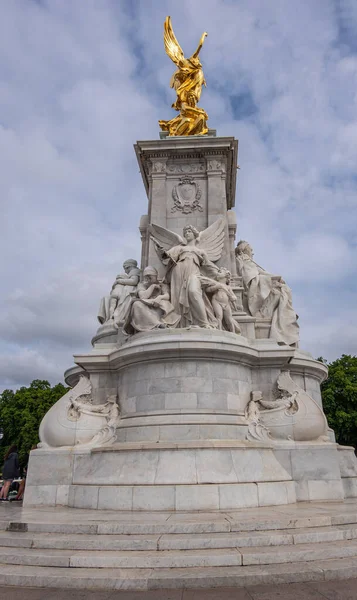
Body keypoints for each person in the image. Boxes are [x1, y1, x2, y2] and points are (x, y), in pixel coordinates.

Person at [235, 240, 299, 346]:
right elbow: (251, 277)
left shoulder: (248, 261)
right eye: (251, 250)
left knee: (283, 290)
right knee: (279, 293)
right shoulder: (243, 260)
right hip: (248, 290)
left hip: (258, 284)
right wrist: (272, 279)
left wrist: (274, 278)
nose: (253, 252)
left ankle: (285, 324)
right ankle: (281, 326)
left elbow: (260, 272)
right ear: (245, 250)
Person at [124, 266, 180, 334]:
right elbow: (142, 296)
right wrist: (152, 286)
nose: (148, 278)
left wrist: (159, 298)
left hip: (158, 305)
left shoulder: (162, 284)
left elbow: (167, 296)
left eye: (150, 276)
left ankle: (158, 323)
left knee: (164, 304)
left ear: (156, 276)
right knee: (136, 304)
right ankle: (158, 324)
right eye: (146, 276)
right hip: (146, 306)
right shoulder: (141, 285)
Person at [97, 259, 141, 326]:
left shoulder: (134, 271)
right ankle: (110, 318)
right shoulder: (133, 272)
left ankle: (114, 317)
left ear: (127, 266)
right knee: (106, 299)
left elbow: (134, 281)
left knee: (109, 301)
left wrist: (119, 281)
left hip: (130, 291)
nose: (125, 271)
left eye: (125, 268)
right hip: (124, 292)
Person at [200, 268, 241, 334]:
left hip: (226, 304)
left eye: (220, 272)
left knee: (229, 319)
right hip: (216, 301)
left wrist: (234, 298)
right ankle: (219, 331)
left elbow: (233, 296)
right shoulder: (215, 284)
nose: (217, 273)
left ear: (226, 276)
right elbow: (207, 290)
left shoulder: (228, 287)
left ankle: (233, 332)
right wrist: (216, 287)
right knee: (219, 316)